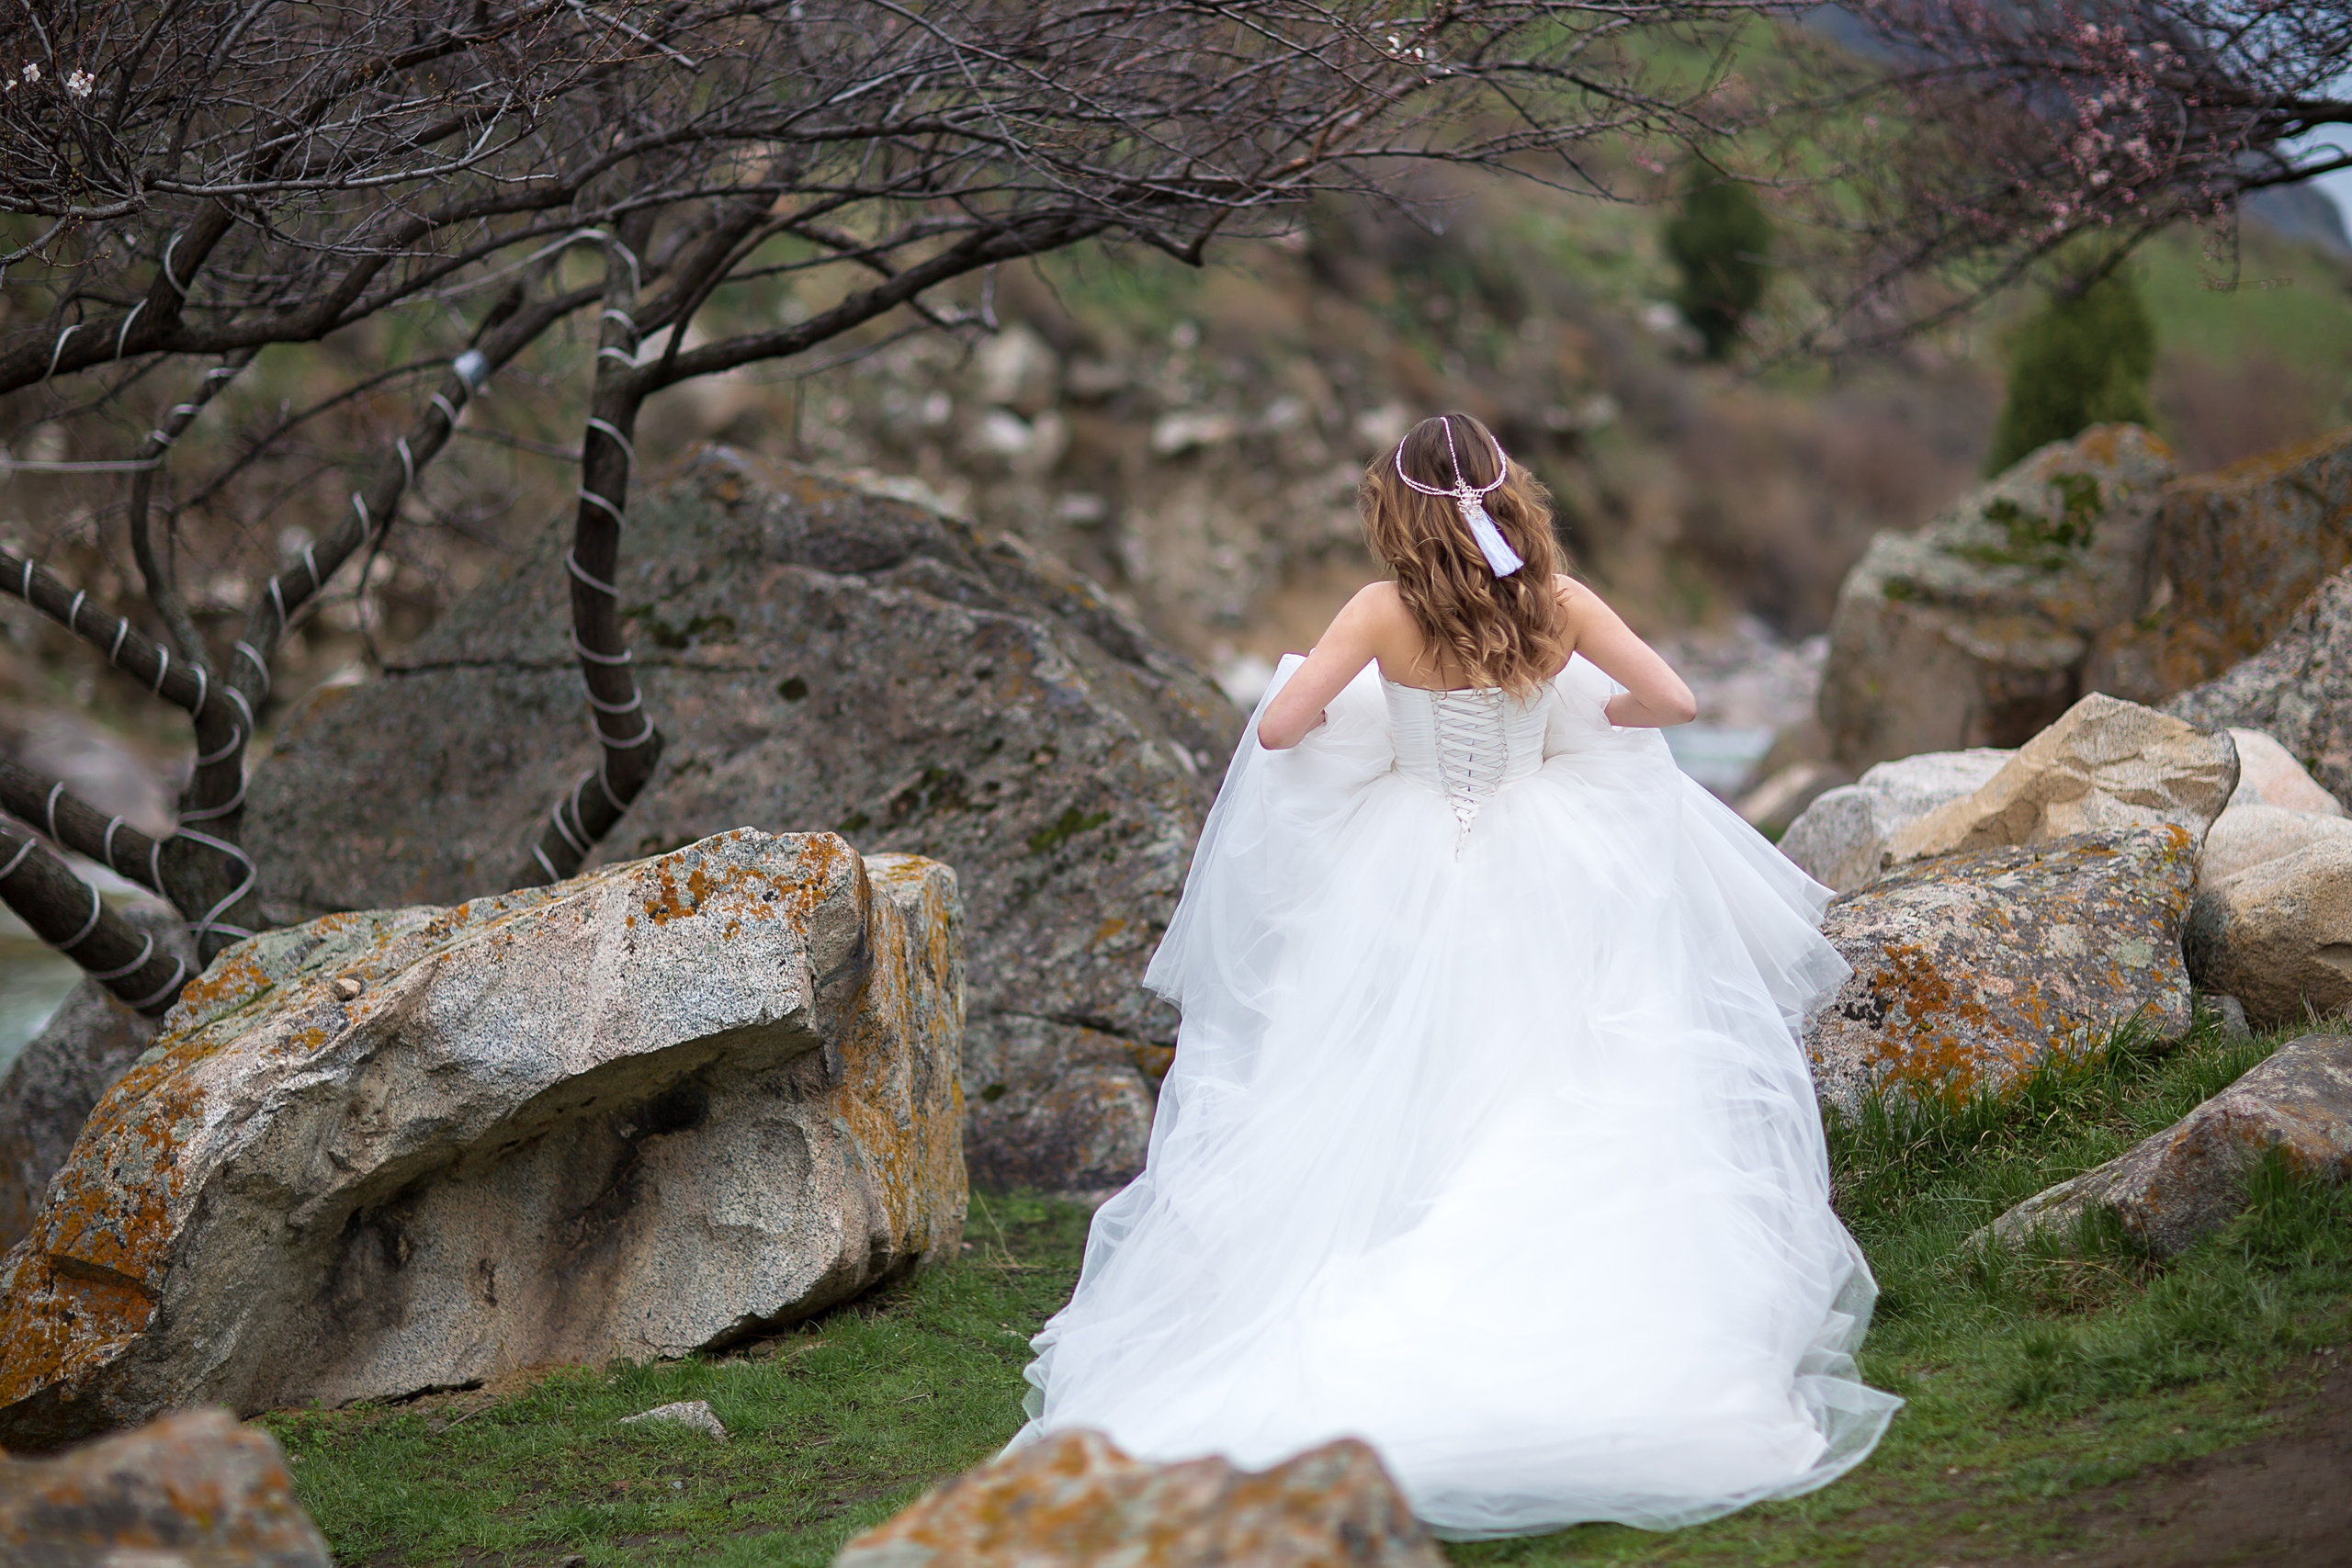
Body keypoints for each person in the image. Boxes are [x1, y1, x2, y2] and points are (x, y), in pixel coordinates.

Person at [1010, 412, 1900, 1539]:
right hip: (1549, 856)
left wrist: (1377, 720)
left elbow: (1281, 729)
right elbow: (1673, 703)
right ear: (1509, 496)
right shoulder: (1560, 604)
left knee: (1385, 1070)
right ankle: (1567, 1305)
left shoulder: (1379, 610)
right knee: (1560, 1065)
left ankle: (1396, 1254)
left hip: (1406, 862)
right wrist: (1593, 717)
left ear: (1393, 511)